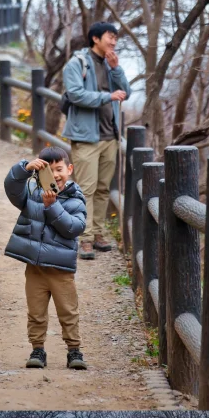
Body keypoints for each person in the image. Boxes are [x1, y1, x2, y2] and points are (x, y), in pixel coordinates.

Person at [3, 146, 88, 370]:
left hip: (61, 271)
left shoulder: (75, 198)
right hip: (35, 268)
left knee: (68, 311)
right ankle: (37, 349)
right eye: (48, 171)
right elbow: (12, 190)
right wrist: (23, 168)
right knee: (36, 312)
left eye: (59, 169)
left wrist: (53, 207)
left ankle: (74, 350)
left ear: (69, 169)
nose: (55, 175)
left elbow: (74, 228)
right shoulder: (31, 193)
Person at [61, 21, 130, 258]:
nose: (113, 42)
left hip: (110, 136)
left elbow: (125, 93)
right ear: (95, 39)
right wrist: (107, 96)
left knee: (102, 189)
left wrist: (117, 70)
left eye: (115, 38)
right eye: (110, 37)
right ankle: (86, 238)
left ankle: (99, 234)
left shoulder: (110, 65)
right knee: (86, 190)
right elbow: (75, 94)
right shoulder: (77, 64)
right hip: (85, 137)